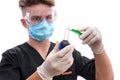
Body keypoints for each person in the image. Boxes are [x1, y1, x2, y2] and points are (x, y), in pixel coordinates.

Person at [0, 0, 114, 80]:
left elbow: (106, 78)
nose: (44, 23)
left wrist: (98, 48)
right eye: (36, 18)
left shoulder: (67, 52)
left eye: (48, 17)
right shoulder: (12, 57)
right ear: (25, 22)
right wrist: (43, 74)